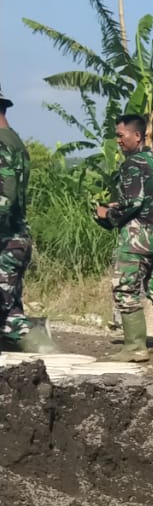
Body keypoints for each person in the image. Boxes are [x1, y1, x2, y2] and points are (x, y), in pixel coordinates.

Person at [95, 114, 153, 361]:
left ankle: (135, 346)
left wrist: (107, 212)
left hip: (135, 238)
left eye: (121, 135)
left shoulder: (133, 164)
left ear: (137, 135)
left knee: (126, 289)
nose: (117, 140)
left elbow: (134, 202)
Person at [0, 86, 57, 354]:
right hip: (16, 238)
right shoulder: (15, 141)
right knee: (8, 310)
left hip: (5, 241)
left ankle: (48, 355)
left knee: (10, 319)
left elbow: (6, 197)